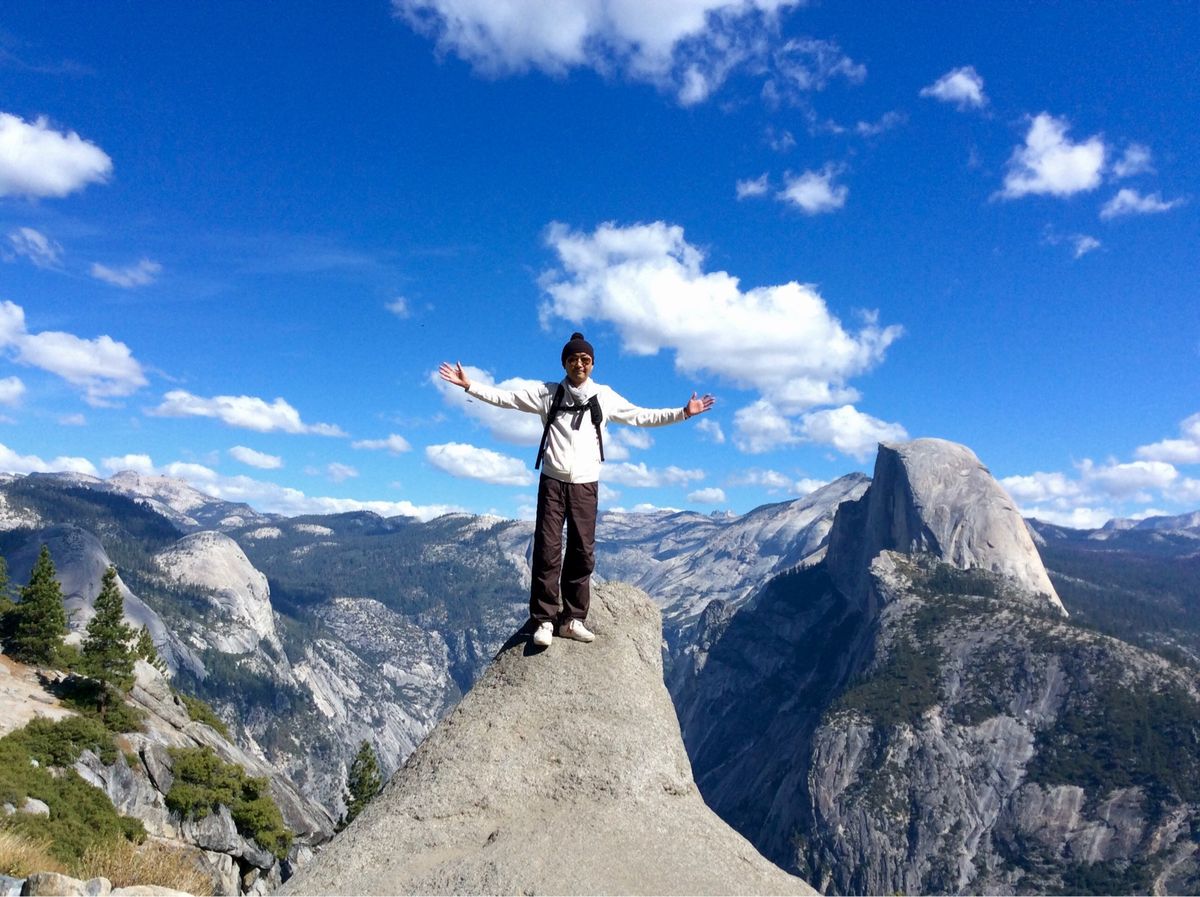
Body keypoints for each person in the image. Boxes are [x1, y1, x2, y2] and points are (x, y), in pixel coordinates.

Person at [438, 332, 715, 647]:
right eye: (573, 359)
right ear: (565, 363)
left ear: (592, 364)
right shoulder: (549, 393)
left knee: (583, 552)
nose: (578, 364)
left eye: (584, 359)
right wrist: (470, 385)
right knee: (547, 549)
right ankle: (544, 620)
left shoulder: (604, 396)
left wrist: (682, 413)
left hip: (585, 483)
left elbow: (641, 416)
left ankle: (572, 619)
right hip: (553, 481)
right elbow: (509, 399)